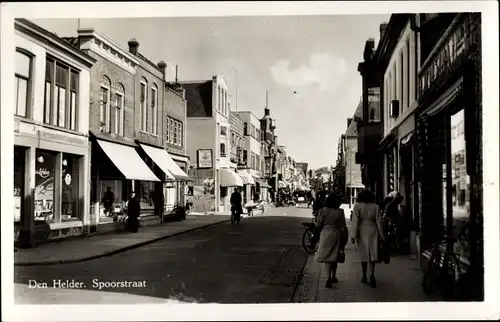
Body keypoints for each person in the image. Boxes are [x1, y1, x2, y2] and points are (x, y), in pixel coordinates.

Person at [350, 189, 385, 288]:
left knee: (364, 254)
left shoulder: (357, 206)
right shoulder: (376, 207)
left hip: (362, 231)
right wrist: (382, 236)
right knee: (373, 253)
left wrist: (353, 235)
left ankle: (364, 275)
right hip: (373, 231)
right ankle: (372, 274)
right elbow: (379, 222)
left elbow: (355, 222)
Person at [314, 193, 348, 288]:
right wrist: (345, 238)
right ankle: (334, 276)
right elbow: (343, 226)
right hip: (336, 233)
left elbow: (318, 225)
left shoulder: (323, 211)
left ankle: (328, 276)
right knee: (334, 255)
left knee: (327, 257)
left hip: (325, 233)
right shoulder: (340, 211)